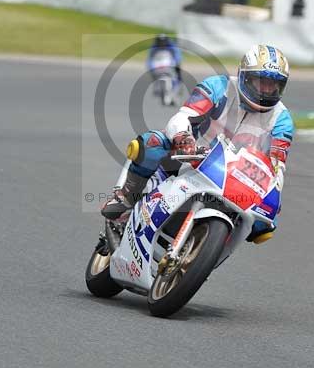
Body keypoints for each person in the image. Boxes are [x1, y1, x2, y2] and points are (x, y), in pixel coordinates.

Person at [102, 44, 294, 244]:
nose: (267, 90)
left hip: (235, 178)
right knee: (152, 143)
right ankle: (126, 196)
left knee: (263, 228)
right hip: (189, 156)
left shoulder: (282, 119)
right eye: (261, 82)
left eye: (274, 85)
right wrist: (184, 138)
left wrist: (273, 199)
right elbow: (182, 117)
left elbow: (277, 166)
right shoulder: (218, 86)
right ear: (245, 76)